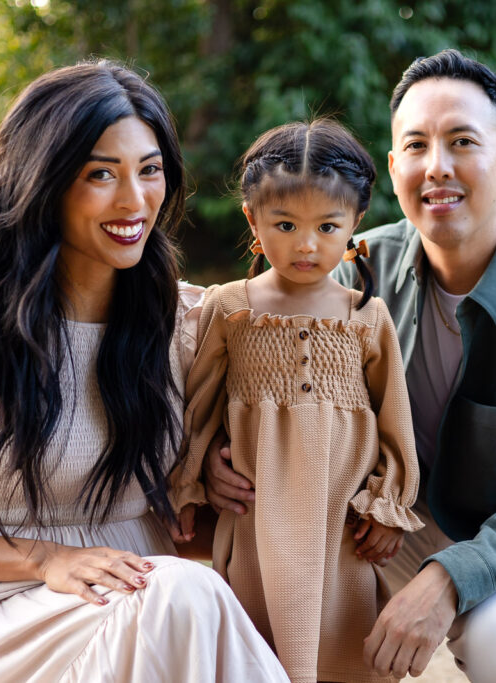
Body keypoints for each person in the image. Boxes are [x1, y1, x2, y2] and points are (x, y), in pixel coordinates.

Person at [204, 49, 496, 682]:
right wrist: (219, 453)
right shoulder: (358, 272)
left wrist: (448, 577)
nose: (436, 167)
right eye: (415, 146)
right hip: (403, 518)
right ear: (393, 169)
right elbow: (252, 340)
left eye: (462, 141)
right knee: (280, 586)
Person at [0, 61, 288, 682]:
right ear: (45, 184)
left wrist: (208, 471)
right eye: (100, 174)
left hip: (151, 591)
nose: (134, 200)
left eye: (149, 169)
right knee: (182, 596)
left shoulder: (187, 322)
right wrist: (45, 557)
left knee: (183, 597)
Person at [169, 119, 423, 683]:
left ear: (355, 224)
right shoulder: (231, 308)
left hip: (340, 531)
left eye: (327, 226)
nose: (306, 245)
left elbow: (394, 422)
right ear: (252, 221)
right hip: (259, 523)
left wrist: (388, 503)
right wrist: (193, 479)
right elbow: (201, 408)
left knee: (341, 648)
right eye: (285, 224)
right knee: (258, 647)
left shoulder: (365, 317)